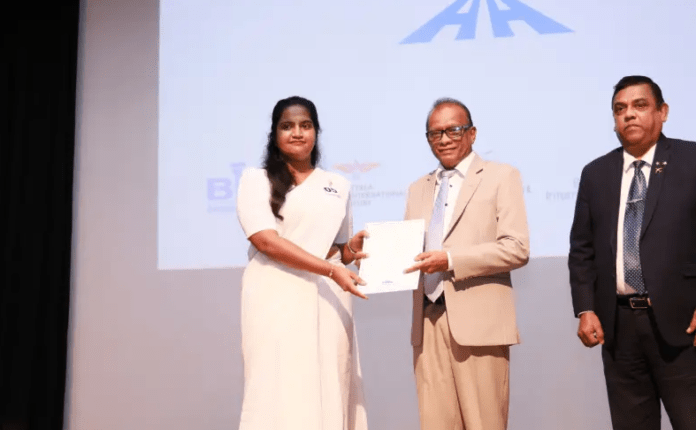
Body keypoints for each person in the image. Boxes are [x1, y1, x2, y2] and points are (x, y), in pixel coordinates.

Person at [568, 75, 696, 429]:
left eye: (640, 105)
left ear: (662, 112)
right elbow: (582, 249)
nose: (629, 114)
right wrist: (585, 308)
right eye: (620, 109)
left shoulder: (691, 160)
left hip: (683, 325)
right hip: (619, 328)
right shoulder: (595, 174)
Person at [236, 96, 369, 430]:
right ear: (275, 134)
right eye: (287, 126)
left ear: (316, 131)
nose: (297, 133)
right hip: (274, 295)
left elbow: (334, 249)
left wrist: (350, 250)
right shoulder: (256, 179)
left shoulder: (338, 184)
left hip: (329, 297)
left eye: (305, 125)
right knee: (278, 384)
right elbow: (265, 241)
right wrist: (332, 268)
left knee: (331, 380)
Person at [404, 98, 530, 430]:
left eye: (453, 130)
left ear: (472, 133)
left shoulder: (501, 176)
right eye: (435, 133)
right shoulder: (417, 188)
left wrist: (450, 259)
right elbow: (407, 251)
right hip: (427, 323)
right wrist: (368, 252)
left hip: (480, 326)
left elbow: (517, 248)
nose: (443, 139)